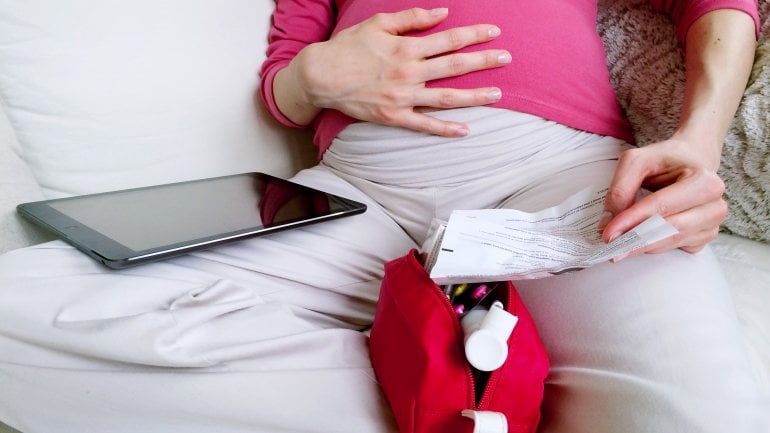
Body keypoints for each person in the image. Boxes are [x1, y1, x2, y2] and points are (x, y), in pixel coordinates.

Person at [0, 1, 767, 433]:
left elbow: (719, 6)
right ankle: (454, 401)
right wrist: (314, 73)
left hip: (557, 173)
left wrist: (695, 142)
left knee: (696, 412)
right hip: (359, 191)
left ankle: (453, 383)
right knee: (18, 306)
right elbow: (284, 84)